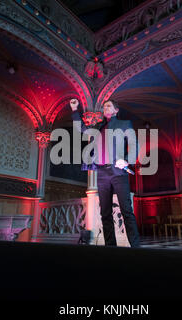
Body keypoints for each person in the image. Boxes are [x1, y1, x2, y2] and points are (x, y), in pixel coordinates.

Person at [70, 98, 141, 248]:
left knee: (126, 210)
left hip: (118, 172)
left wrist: (127, 160)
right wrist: (75, 110)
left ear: (116, 110)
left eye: (109, 106)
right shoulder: (97, 127)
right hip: (101, 172)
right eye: (104, 107)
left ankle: (136, 247)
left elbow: (134, 143)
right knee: (105, 213)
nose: (105, 108)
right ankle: (110, 247)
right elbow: (80, 128)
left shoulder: (124, 124)